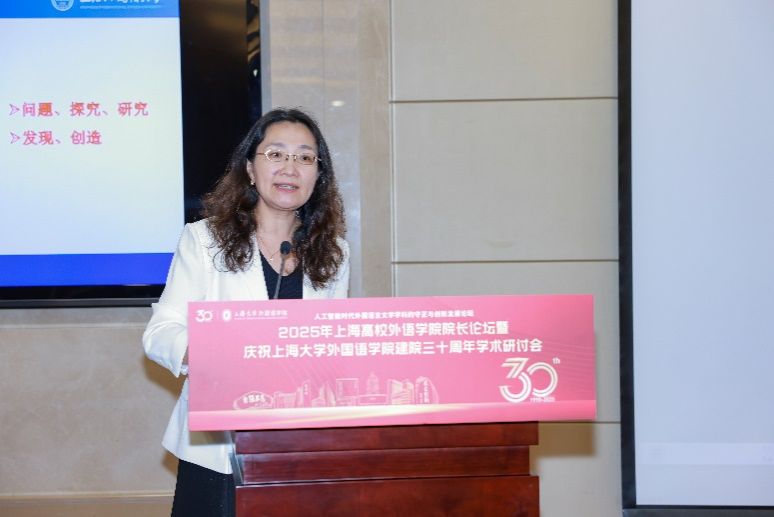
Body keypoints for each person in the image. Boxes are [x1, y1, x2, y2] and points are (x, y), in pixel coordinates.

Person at [142, 107, 349, 516]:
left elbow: (333, 345)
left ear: (318, 175)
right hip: (220, 447)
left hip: (302, 445)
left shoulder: (334, 252)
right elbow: (161, 332)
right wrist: (222, 354)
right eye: (276, 154)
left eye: (305, 157)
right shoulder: (205, 240)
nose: (290, 167)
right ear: (251, 169)